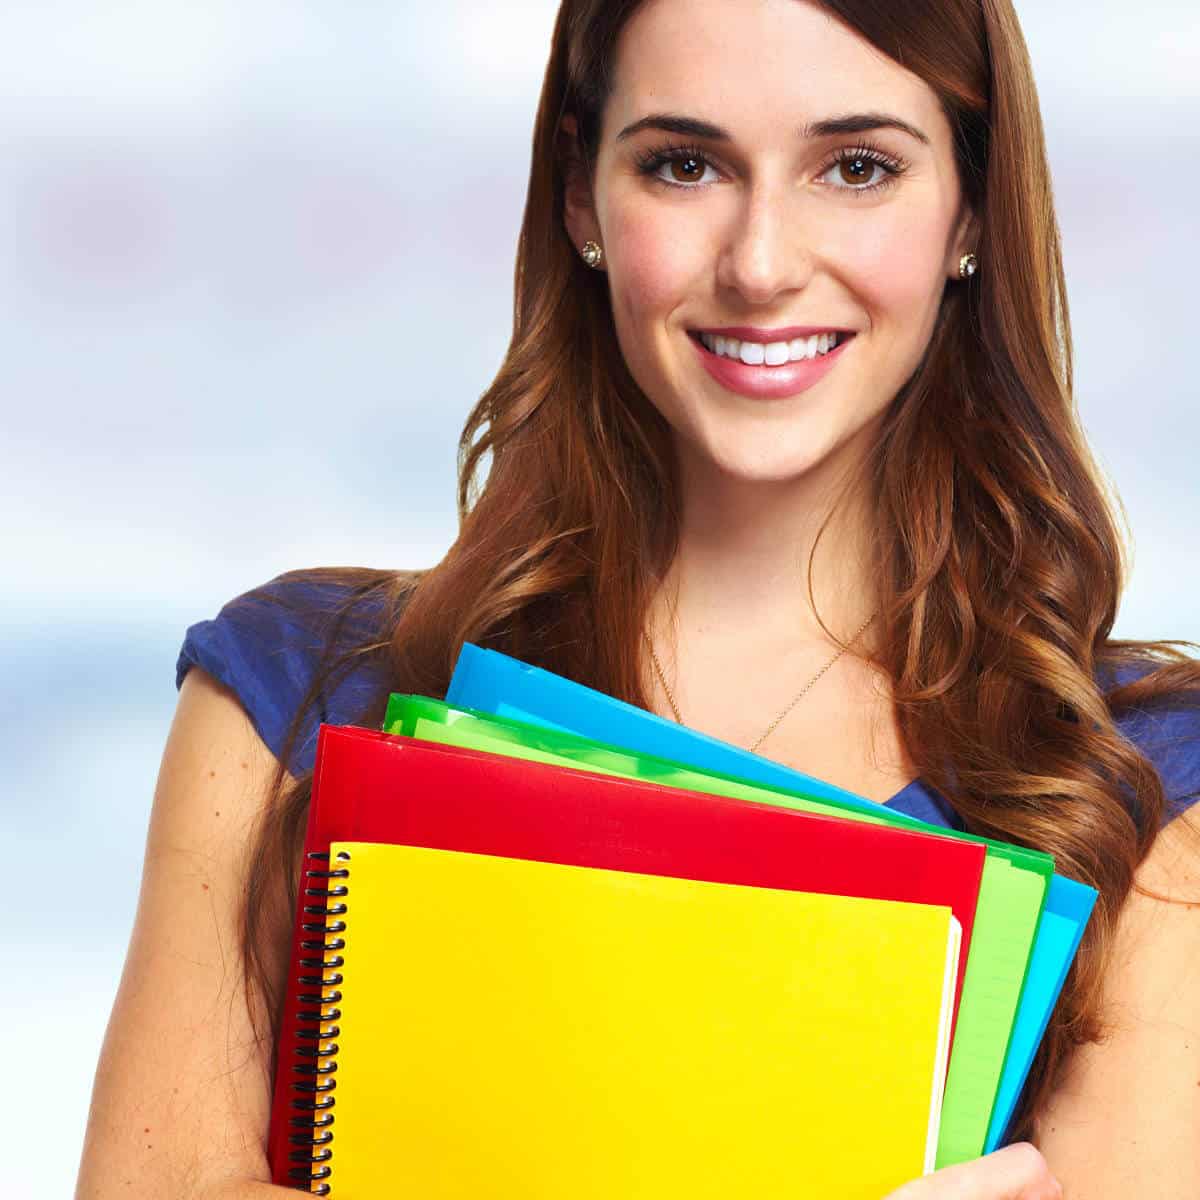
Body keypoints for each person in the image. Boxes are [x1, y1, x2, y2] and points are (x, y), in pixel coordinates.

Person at [75, 0, 1200, 1197]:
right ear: (580, 197)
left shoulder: (1142, 789)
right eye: (685, 164)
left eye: (858, 167)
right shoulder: (286, 694)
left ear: (971, 209)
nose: (761, 263)